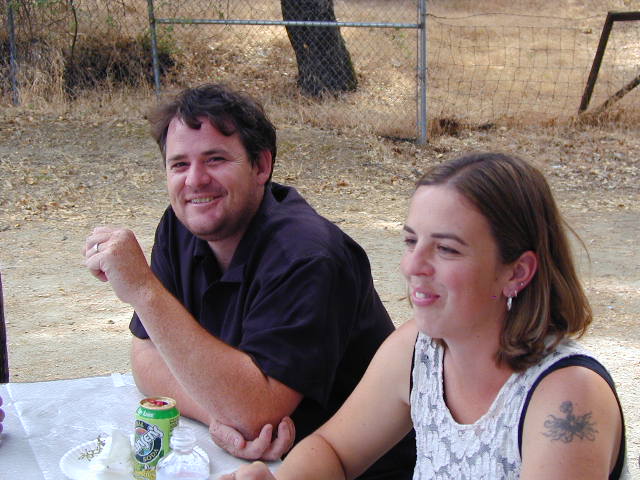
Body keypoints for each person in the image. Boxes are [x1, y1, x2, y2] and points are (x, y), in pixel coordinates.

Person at [223, 152, 628, 480]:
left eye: (447, 249)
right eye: (411, 241)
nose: (412, 265)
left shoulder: (567, 398)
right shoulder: (420, 351)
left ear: (517, 272)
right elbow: (333, 451)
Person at [83, 84, 415, 477]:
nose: (195, 180)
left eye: (215, 159)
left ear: (261, 166)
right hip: (264, 463)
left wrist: (144, 291)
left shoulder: (308, 256)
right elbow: (145, 357)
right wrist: (217, 413)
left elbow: (257, 411)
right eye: (179, 165)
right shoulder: (179, 226)